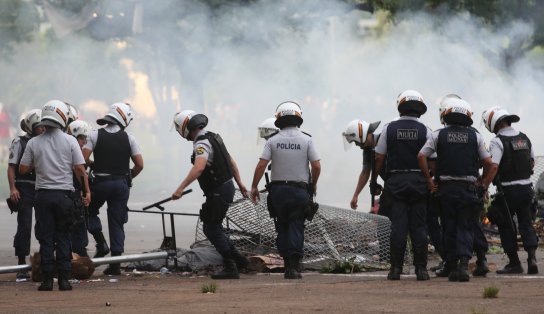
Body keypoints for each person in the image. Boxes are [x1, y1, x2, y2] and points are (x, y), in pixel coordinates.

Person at [418, 98, 493, 282]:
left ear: (446, 115)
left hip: (446, 189)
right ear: (467, 116)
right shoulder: (476, 136)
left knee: (449, 227)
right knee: (466, 227)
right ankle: (463, 267)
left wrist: (429, 180)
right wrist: (482, 183)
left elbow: (421, 155)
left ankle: (451, 266)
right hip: (467, 190)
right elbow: (489, 163)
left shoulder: (437, 135)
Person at [19, 100, 90, 291]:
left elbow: (23, 168)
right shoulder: (71, 141)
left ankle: (47, 280)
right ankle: (64, 280)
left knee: (46, 238)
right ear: (62, 117)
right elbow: (80, 170)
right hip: (64, 197)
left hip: (42, 197)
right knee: (64, 237)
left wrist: (39, 162)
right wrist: (87, 192)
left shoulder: (34, 142)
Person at [172, 110, 249, 279]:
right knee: (215, 226)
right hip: (226, 187)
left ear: (185, 127)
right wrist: (240, 183)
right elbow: (231, 162)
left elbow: (199, 167)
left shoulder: (201, 143)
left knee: (211, 228)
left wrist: (180, 188)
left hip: (218, 191)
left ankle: (231, 267)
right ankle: (240, 261)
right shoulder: (214, 137)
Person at [250, 101, 321, 279]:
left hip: (278, 192)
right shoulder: (307, 139)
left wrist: (253, 186)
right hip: (299, 191)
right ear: (298, 118)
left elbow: (261, 165)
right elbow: (317, 166)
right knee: (297, 225)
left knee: (281, 226)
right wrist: (313, 184)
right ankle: (293, 268)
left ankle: (287, 263)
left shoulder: (273, 140)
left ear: (279, 119)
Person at [372, 90, 431, 281]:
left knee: (398, 227)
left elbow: (379, 157)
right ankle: (421, 270)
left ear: (400, 107)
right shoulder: (426, 130)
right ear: (420, 109)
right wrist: (429, 180)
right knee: (419, 227)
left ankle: (395, 269)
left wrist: (375, 181)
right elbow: (433, 161)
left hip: (395, 183)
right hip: (419, 183)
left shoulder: (389, 128)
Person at [82, 103, 143, 275]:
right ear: (124, 118)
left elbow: (82, 158)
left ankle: (101, 242)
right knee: (116, 221)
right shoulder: (129, 138)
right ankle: (115, 264)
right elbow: (139, 165)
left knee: (89, 210)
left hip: (100, 183)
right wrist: (127, 176)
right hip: (121, 185)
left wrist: (94, 165)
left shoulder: (95, 134)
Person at [481, 106, 539, 274]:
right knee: (526, 223)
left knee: (504, 223)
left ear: (493, 123)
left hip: (508, 191)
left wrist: (484, 185)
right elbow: (532, 162)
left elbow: (493, 167)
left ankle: (514, 263)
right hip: (527, 188)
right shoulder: (524, 138)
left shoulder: (497, 141)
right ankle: (532, 259)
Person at [7, 109, 44, 279]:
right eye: (39, 126)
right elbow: (12, 167)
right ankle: (22, 264)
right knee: (24, 225)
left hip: (42, 187)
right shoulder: (19, 142)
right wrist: (13, 188)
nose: (42, 129)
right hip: (24, 188)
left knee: (45, 225)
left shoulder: (45, 142)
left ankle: (44, 261)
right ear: (30, 126)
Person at [342, 119, 381, 211]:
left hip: (399, 185)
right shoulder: (368, 150)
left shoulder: (384, 140)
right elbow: (365, 172)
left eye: (355, 142)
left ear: (360, 135)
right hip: (393, 185)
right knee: (375, 208)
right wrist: (355, 195)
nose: (356, 145)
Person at [67, 120, 92, 257]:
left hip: (67, 193)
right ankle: (80, 259)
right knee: (78, 230)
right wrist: (86, 191)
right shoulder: (73, 148)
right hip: (73, 194)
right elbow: (79, 170)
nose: (83, 142)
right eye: (82, 138)